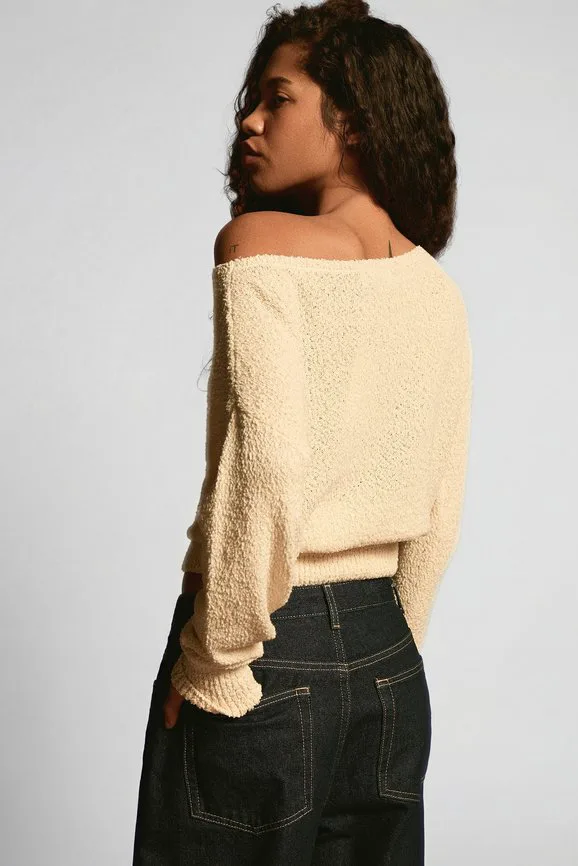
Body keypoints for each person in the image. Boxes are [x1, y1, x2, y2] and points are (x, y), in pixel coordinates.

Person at [132, 0, 472, 863]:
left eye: (276, 99)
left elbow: (271, 464)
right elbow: (440, 505)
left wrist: (217, 657)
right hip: (391, 658)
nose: (249, 120)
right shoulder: (435, 290)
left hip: (267, 646)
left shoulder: (258, 244)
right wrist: (388, 656)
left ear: (351, 120)